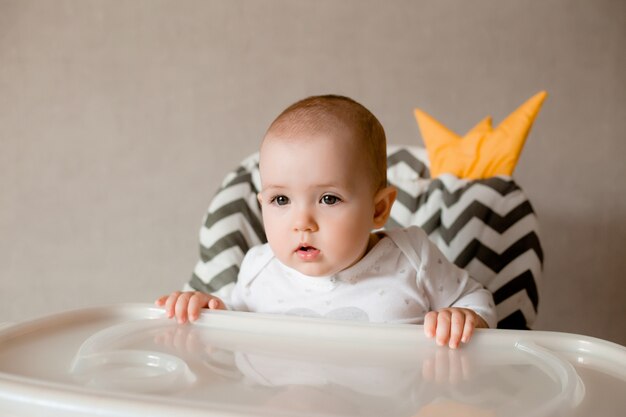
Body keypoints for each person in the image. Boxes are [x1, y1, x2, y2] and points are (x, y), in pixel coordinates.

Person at [156, 95, 496, 349]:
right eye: (281, 200)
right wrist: (208, 309)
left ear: (379, 209)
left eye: (328, 199)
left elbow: (477, 300)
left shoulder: (412, 258)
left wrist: (465, 317)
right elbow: (233, 328)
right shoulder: (259, 269)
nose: (301, 223)